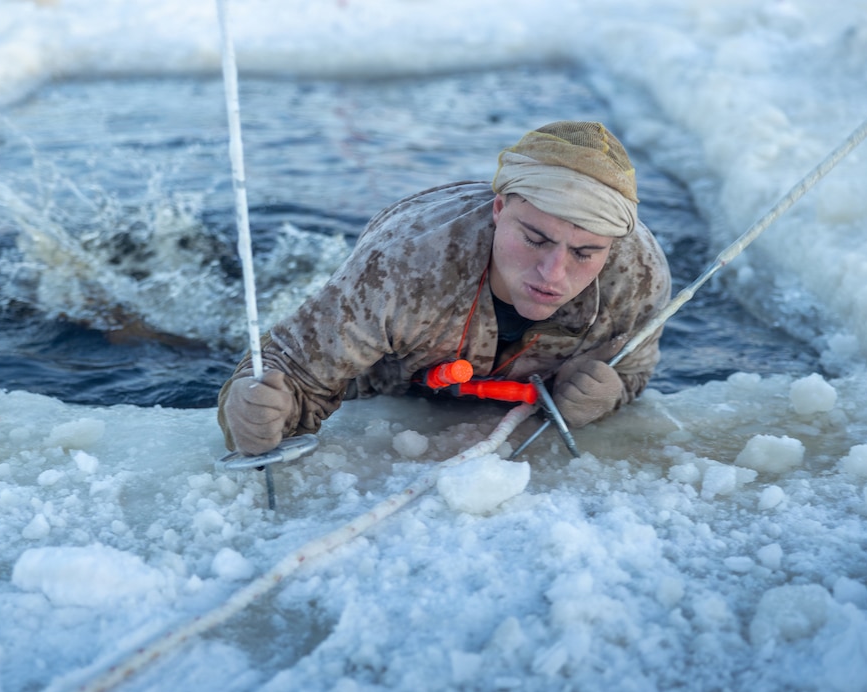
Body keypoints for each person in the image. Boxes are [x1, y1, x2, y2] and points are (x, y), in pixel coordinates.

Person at [218, 120, 671, 456]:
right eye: (535, 239)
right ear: (498, 208)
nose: (553, 274)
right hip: (384, 385)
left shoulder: (639, 277)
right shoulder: (403, 265)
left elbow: (633, 370)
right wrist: (253, 410)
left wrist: (606, 394)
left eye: (584, 253)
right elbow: (289, 369)